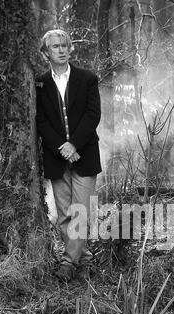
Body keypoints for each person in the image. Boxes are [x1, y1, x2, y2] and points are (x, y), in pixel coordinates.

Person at [36, 29, 102, 282]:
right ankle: (83, 261)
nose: (61, 50)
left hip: (84, 154)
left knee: (80, 212)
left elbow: (92, 115)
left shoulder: (87, 79)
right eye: (55, 46)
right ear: (46, 52)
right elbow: (41, 121)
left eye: (64, 45)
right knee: (64, 214)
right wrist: (61, 147)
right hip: (56, 157)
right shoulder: (40, 83)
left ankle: (67, 262)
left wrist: (73, 144)